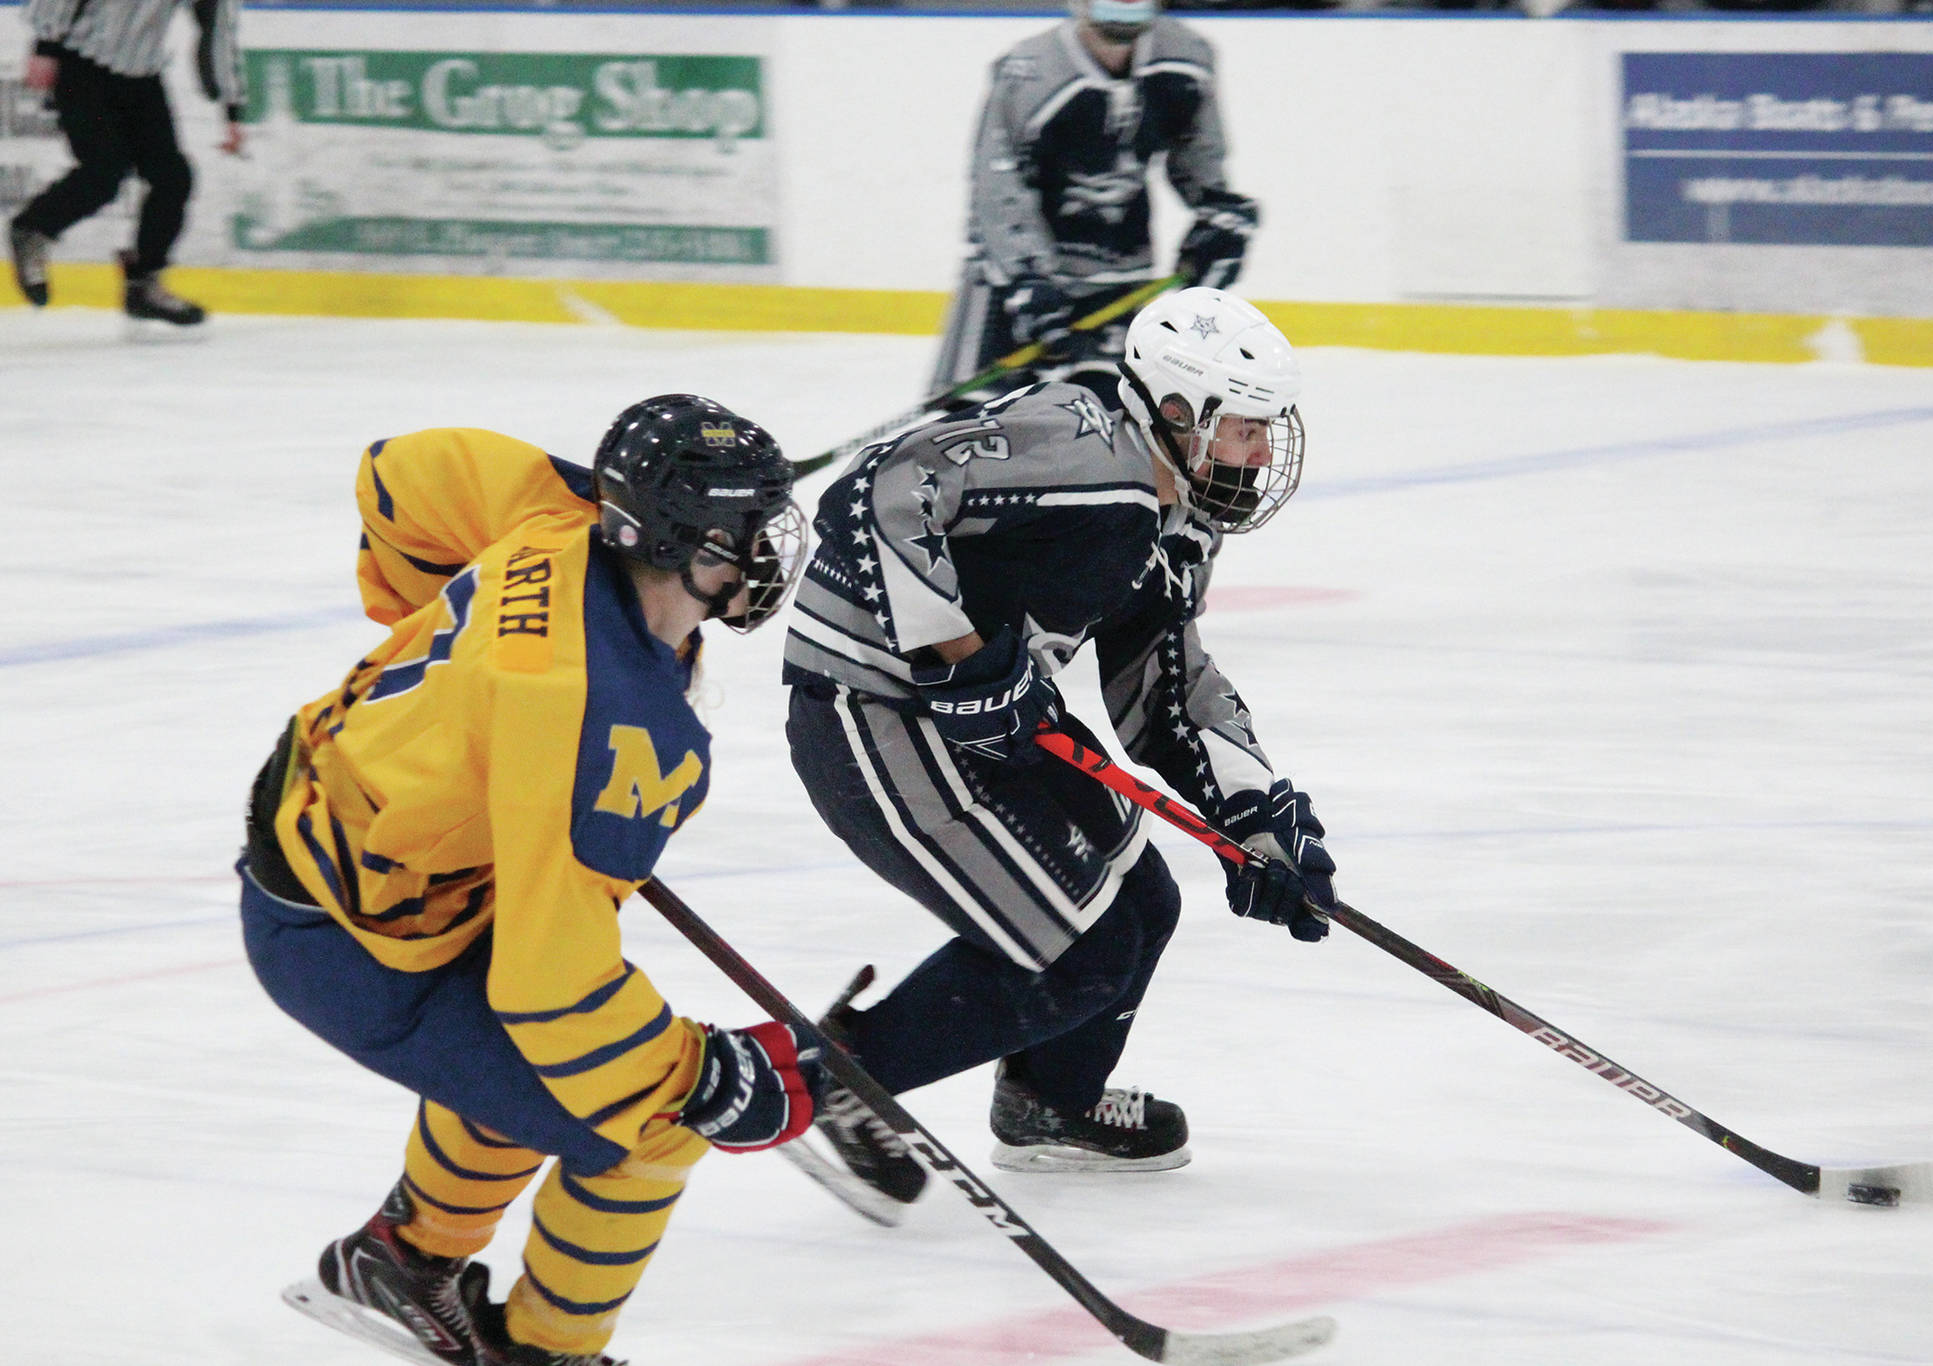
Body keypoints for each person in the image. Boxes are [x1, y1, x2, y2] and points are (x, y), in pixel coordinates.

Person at [240, 398, 817, 1366]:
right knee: (653, 1132)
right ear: (680, 539)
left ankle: (403, 1260)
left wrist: (433, 640)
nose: (770, 554)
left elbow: (400, 473)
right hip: (355, 939)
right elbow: (550, 984)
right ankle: (550, 1350)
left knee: (533, 1069)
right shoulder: (614, 728)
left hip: (339, 827)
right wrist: (697, 1071)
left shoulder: (558, 516)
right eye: (750, 533)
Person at [783, 286, 1339, 1201]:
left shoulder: (1178, 518)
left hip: (985, 718)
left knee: (1140, 899)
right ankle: (838, 1081)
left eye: (1268, 431)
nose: (1263, 452)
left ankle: (1052, 1101)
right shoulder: (1086, 453)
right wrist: (959, 657)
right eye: (1245, 429)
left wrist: (1254, 815)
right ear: (1176, 412)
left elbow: (1162, 684)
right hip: (871, 705)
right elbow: (880, 489)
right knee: (1075, 947)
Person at [928, 0, 1260, 412]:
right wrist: (1026, 278)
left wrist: (1217, 214)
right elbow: (997, 185)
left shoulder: (1186, 59)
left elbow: (1197, 155)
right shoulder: (1029, 70)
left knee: (1105, 432)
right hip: (1011, 284)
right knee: (966, 434)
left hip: (1117, 281)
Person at [7, 0, 245, 325]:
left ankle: (143, 284)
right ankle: (33, 229)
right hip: (81, 59)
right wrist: (45, 45)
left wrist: (231, 108)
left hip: (141, 74)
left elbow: (218, 30)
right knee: (104, 171)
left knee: (173, 177)